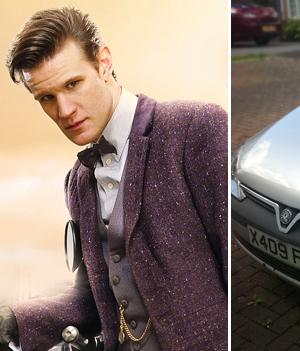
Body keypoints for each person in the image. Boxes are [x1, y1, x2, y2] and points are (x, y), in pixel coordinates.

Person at [0, 7, 227, 351]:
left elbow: (234, 266)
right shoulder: (76, 182)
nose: (63, 110)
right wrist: (13, 320)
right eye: (46, 98)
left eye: (73, 84)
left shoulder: (195, 128)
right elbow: (94, 295)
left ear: (103, 63)